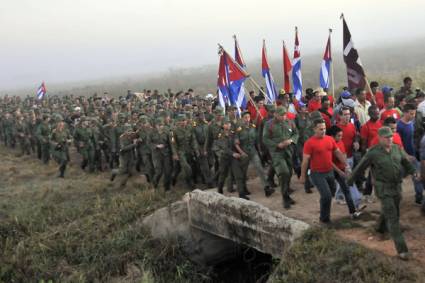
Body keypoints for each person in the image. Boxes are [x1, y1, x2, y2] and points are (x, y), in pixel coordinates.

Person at [347, 126, 416, 260]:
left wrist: (414, 172)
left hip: (396, 187)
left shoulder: (397, 149)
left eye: (391, 136)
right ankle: (402, 250)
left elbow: (406, 163)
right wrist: (350, 181)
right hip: (383, 188)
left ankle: (379, 228)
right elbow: (360, 167)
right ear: (380, 138)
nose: (390, 139)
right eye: (386, 137)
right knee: (393, 217)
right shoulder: (373, 153)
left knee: (392, 210)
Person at [300, 119, 346, 224]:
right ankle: (324, 219)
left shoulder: (330, 139)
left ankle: (324, 210)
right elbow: (305, 161)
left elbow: (338, 153)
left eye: (324, 128)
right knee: (327, 196)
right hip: (317, 174)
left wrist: (346, 165)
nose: (323, 131)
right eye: (321, 129)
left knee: (331, 192)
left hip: (329, 171)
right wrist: (303, 176)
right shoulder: (309, 143)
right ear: (314, 129)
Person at [263, 106, 298, 208]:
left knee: (289, 173)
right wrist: (277, 145)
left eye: (285, 114)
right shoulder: (269, 124)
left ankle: (286, 193)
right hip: (277, 153)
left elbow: (296, 134)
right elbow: (265, 139)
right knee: (283, 172)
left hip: (289, 151)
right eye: (281, 115)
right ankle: (285, 198)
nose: (284, 116)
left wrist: (291, 140)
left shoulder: (290, 122)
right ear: (275, 114)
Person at [327, 125, 361, 218]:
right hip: (332, 170)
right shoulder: (328, 144)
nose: (341, 138)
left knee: (346, 190)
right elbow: (329, 161)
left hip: (341, 169)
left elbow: (343, 154)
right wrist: (339, 171)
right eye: (339, 136)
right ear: (332, 136)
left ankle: (352, 212)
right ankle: (326, 215)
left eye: (341, 135)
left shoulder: (340, 142)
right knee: (328, 193)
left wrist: (346, 166)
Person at [397, 103, 424, 205]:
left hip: (412, 157)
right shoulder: (399, 126)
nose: (413, 116)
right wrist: (405, 156)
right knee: (397, 179)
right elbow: (397, 143)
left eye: (414, 114)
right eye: (411, 114)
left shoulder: (411, 123)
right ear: (405, 112)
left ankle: (419, 198)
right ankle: (396, 198)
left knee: (417, 177)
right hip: (401, 158)